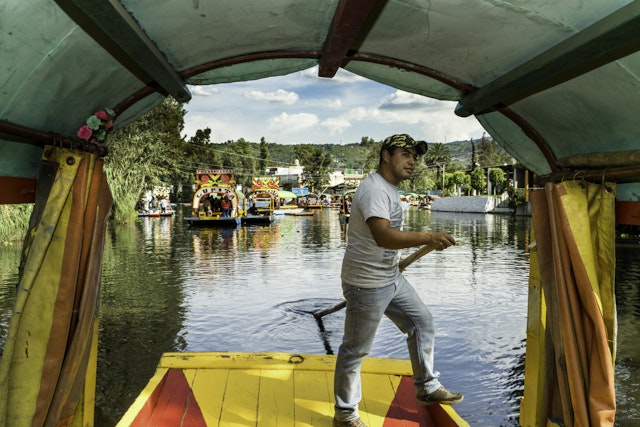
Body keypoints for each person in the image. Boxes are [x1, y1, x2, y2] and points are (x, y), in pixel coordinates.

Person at [333, 134, 462, 427]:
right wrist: (428, 236)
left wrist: (394, 263)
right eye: (405, 154)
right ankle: (345, 414)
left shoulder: (388, 188)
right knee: (356, 349)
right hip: (365, 283)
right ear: (386, 156)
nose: (412, 161)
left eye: (415, 156)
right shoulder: (375, 190)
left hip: (390, 276)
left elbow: (384, 241)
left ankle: (427, 387)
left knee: (421, 323)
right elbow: (383, 236)